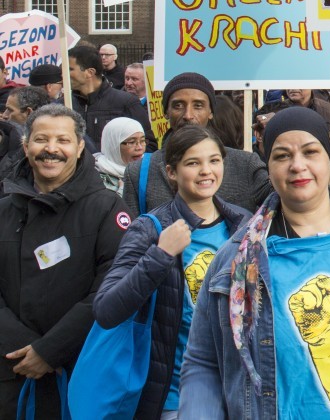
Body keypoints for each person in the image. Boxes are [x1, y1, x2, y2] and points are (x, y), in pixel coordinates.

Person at [180, 107, 330, 416]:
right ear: (268, 167)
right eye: (282, 156)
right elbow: (203, 360)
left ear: (329, 161)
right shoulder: (235, 260)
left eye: (310, 152)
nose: (298, 165)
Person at [92, 125, 250, 420]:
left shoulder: (245, 225)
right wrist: (161, 255)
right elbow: (107, 309)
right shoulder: (149, 229)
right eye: (193, 163)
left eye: (214, 161)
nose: (206, 171)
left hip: (239, 395)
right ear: (172, 172)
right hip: (178, 400)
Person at [0, 105, 128, 417]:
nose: (52, 149)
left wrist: (50, 350)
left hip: (77, 371)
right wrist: (24, 348)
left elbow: (112, 287)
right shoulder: (3, 209)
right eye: (42, 139)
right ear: (26, 144)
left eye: (63, 140)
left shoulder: (106, 207)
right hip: (10, 371)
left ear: (80, 146)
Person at [123, 72, 272, 217]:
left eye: (198, 106)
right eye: (178, 106)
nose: (188, 115)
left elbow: (284, 198)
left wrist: (282, 131)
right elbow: (131, 236)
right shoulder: (139, 172)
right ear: (166, 112)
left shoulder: (245, 164)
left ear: (210, 112)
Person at [67, 43, 154, 150]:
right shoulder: (63, 105)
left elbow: (149, 145)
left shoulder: (126, 103)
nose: (63, 74)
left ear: (90, 72)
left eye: (70, 69)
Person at [94, 116, 146, 195]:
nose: (139, 147)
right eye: (132, 142)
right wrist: (122, 192)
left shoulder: (151, 168)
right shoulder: (95, 180)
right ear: (113, 146)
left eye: (142, 141)